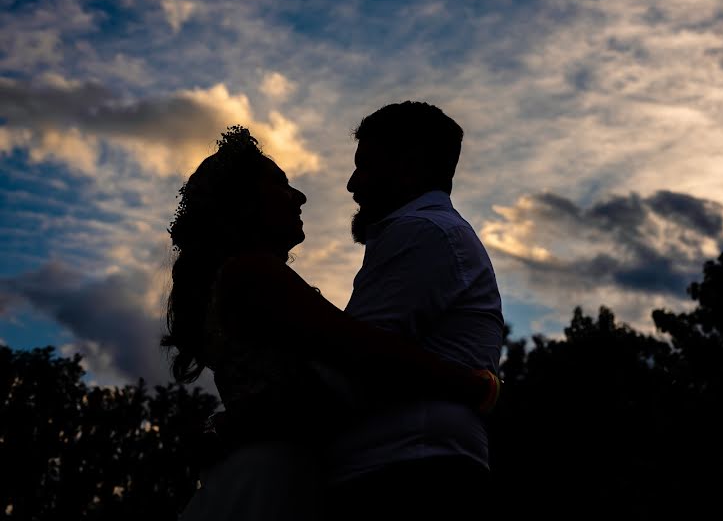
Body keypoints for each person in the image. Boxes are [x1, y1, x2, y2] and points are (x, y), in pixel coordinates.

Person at [161, 126, 501, 521]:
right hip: (274, 475)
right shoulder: (253, 274)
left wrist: (230, 427)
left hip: (280, 469)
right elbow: (365, 353)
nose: (300, 196)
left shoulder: (237, 280)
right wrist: (477, 385)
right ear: (245, 204)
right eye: (280, 184)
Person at [323, 102, 505, 520]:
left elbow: (356, 360)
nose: (352, 184)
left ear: (409, 166)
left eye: (365, 166)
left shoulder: (422, 232)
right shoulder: (431, 233)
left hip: (408, 474)